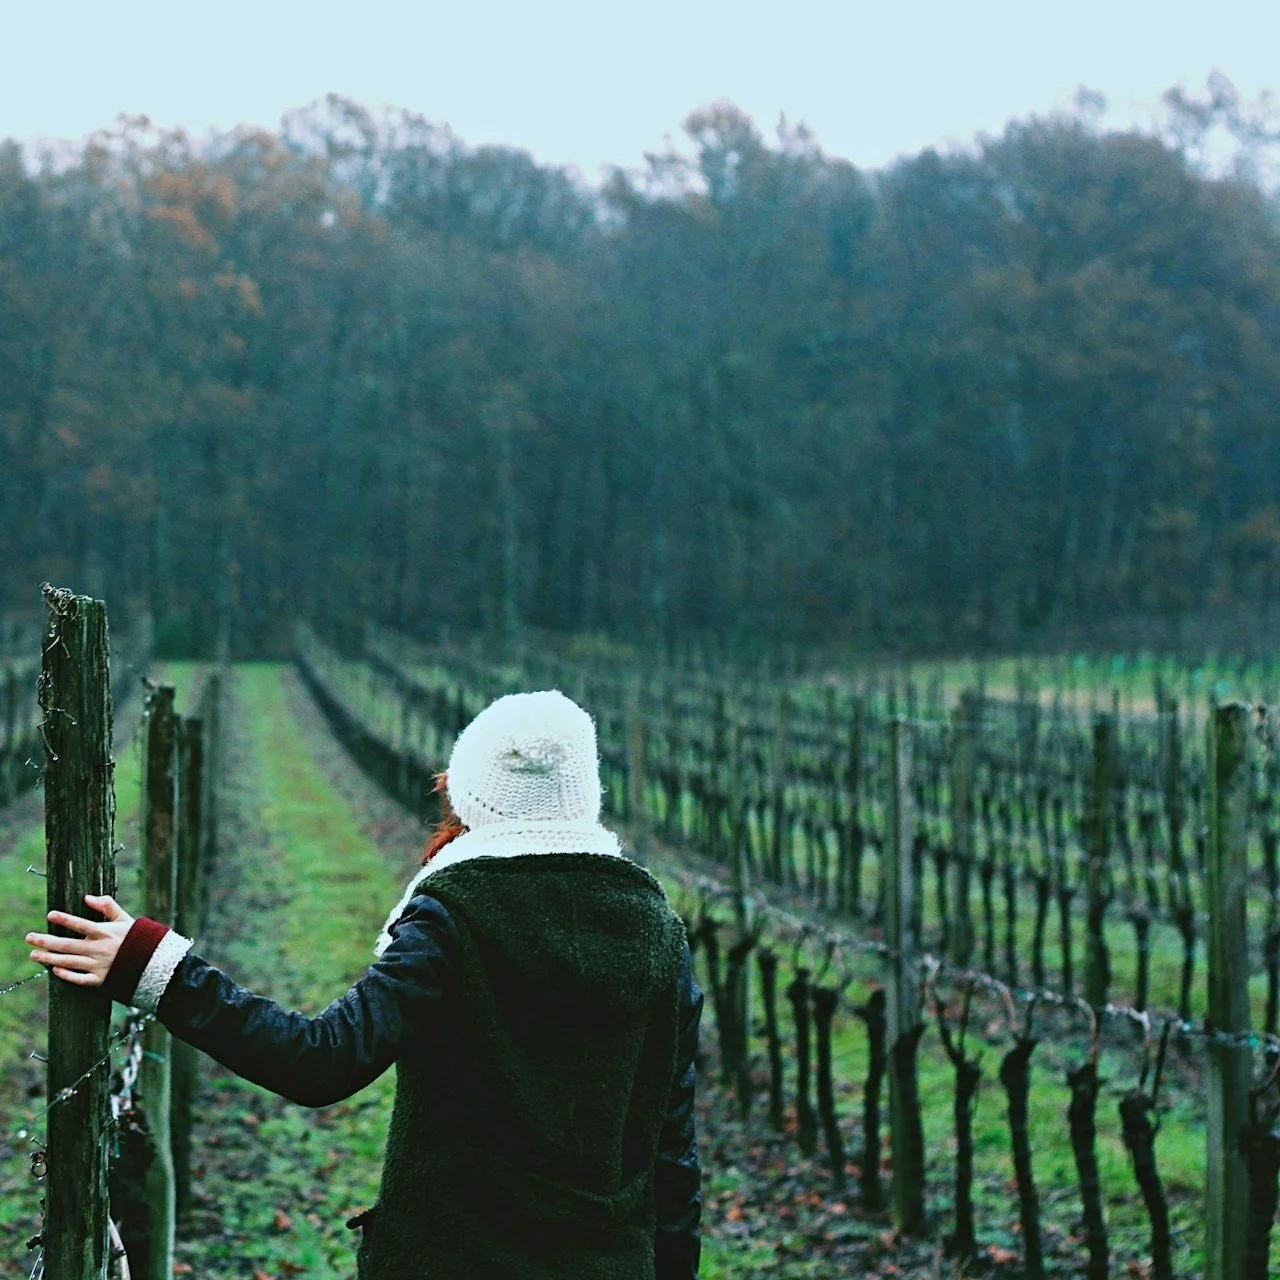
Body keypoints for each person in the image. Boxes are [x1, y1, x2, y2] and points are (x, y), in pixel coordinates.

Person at [24, 688, 704, 1280]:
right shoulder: (659, 933)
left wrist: (155, 966)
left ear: (469, 799)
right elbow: (672, 1157)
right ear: (585, 798)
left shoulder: (453, 917)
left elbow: (321, 1059)